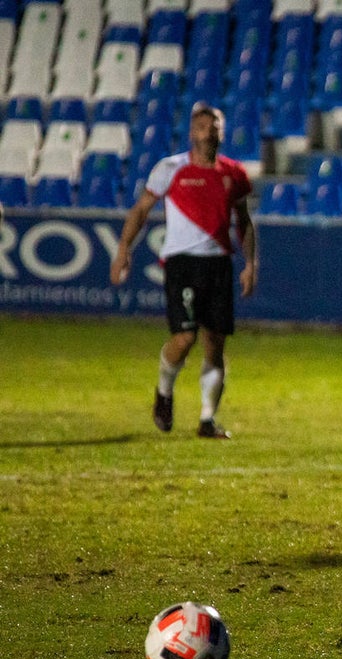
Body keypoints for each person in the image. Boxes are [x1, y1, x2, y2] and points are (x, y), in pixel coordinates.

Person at [110, 102, 258, 439]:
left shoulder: (234, 173)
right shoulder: (171, 168)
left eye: (217, 125)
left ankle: (207, 420)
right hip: (182, 263)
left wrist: (250, 263)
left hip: (218, 264)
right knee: (185, 337)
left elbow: (244, 222)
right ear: (193, 132)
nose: (211, 131)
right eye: (205, 126)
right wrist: (123, 251)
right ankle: (164, 391)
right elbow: (140, 211)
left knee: (215, 342)